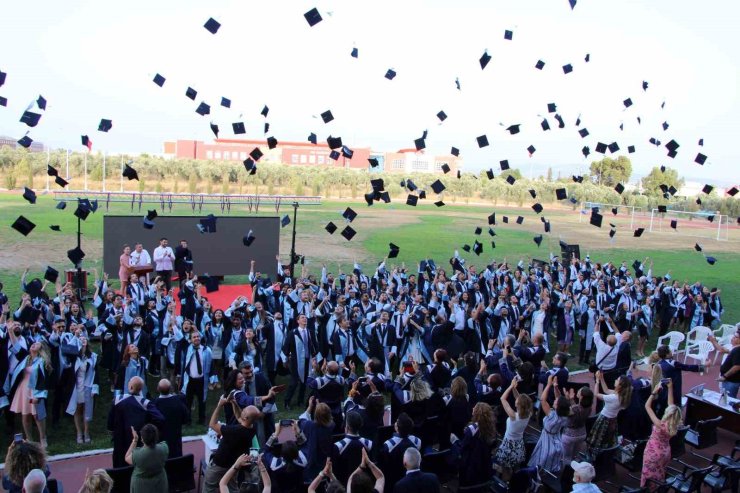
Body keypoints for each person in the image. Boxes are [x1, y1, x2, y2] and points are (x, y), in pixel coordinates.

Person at [202, 400, 261, 493]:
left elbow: (212, 424)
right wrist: (235, 403)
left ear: (245, 417)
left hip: (219, 464)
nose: (242, 411)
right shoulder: (252, 427)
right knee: (232, 488)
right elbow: (239, 417)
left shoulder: (234, 431)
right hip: (234, 465)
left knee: (209, 488)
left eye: (244, 411)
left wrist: (219, 405)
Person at [107, 376, 165, 468]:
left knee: (119, 466)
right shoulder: (145, 403)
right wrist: (149, 427)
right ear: (141, 389)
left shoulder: (117, 400)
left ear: (130, 387)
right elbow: (160, 419)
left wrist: (111, 431)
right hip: (138, 441)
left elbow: (110, 422)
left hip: (120, 440)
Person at [5, 341, 51, 447]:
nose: (34, 344)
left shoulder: (43, 361)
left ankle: (43, 438)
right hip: (23, 390)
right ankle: (29, 439)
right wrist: (11, 330)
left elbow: (44, 380)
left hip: (35, 390)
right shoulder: (25, 358)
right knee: (25, 415)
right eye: (33, 343)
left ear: (41, 348)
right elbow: (16, 347)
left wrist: (39, 395)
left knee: (37, 415)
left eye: (37, 344)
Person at [641, 381, 682, 489]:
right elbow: (671, 405)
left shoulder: (660, 424)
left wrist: (654, 392)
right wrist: (670, 388)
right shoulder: (675, 424)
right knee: (660, 473)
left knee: (648, 475)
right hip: (665, 451)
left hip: (653, 451)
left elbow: (647, 406)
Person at [528, 375, 569, 472]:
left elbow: (542, 400)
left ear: (558, 406)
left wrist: (548, 384)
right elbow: (560, 399)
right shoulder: (565, 414)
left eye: (556, 402)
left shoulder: (552, 416)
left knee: (540, 463)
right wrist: (555, 386)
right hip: (557, 440)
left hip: (547, 441)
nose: (554, 400)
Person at [451, 402, 497, 486]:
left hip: (470, 462)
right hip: (484, 461)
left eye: (474, 408)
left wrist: (455, 441)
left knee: (453, 440)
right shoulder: (491, 428)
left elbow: (463, 448)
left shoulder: (471, 429)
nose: (472, 408)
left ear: (477, 413)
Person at [495, 378, 532, 477]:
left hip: (508, 444)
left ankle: (505, 480)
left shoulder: (513, 416)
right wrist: (514, 388)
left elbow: (502, 398)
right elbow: (519, 398)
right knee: (516, 465)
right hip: (518, 443)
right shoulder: (529, 413)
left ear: (518, 404)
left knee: (506, 467)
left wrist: (511, 386)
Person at [587, 372, 632, 452]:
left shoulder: (614, 397)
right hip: (613, 420)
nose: (615, 380)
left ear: (620, 385)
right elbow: (606, 390)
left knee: (598, 438)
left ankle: (594, 453)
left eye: (617, 380)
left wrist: (597, 381)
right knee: (607, 438)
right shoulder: (621, 395)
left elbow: (596, 394)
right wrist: (602, 378)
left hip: (604, 419)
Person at [65, 336, 98, 444]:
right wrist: (75, 337)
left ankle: (86, 432)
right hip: (76, 386)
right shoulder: (74, 356)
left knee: (87, 410)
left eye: (84, 338)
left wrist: (95, 388)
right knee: (77, 408)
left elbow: (96, 373)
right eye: (80, 339)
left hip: (88, 385)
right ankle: (79, 433)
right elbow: (66, 348)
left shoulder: (93, 356)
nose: (83, 340)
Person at [283, 314, 317, 410]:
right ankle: (287, 402)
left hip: (307, 360)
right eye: (302, 318)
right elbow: (286, 347)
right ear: (298, 321)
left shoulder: (310, 332)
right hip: (295, 362)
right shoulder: (293, 332)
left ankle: (300, 401)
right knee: (294, 382)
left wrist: (314, 357)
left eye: (305, 317)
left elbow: (315, 345)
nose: (305, 319)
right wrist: (286, 359)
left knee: (304, 382)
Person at [378, 412, 421, 489]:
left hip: (394, 479)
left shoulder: (389, 445)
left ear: (397, 427)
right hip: (410, 476)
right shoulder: (417, 441)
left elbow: (384, 465)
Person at [178, 331, 212, 425]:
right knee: (188, 401)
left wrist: (212, 379)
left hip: (201, 379)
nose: (196, 338)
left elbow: (210, 365)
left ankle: (201, 419)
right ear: (190, 339)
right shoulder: (187, 349)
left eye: (198, 336)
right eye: (194, 337)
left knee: (202, 401)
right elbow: (180, 339)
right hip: (190, 379)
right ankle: (187, 420)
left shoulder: (206, 350)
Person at [331, 410, 373, 486]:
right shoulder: (369, 444)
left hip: (344, 486)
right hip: (364, 485)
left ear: (347, 427)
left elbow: (335, 471)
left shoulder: (338, 446)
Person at [299, 398, 335, 482]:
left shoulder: (310, 426)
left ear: (315, 415)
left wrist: (310, 406)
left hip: (313, 464)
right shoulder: (331, 425)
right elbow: (324, 417)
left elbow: (301, 419)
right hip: (325, 462)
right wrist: (319, 406)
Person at [152, 378, 190, 458]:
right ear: (170, 389)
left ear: (158, 389)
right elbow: (186, 418)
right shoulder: (178, 401)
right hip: (175, 441)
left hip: (160, 444)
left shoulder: (154, 405)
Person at [125, 424, 168, 493]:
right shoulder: (164, 447)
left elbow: (127, 457)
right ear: (156, 436)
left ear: (142, 438)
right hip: (160, 486)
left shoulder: (137, 454)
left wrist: (135, 440)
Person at [561, 386, 594, 463]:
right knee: (575, 456)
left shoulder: (574, 409)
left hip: (569, 436)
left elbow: (565, 412)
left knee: (566, 457)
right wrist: (571, 400)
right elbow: (577, 410)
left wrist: (567, 399)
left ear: (581, 396)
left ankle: (566, 472)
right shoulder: (589, 407)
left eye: (579, 391)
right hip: (582, 434)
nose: (578, 391)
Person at [709, 330, 740, 398]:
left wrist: (725, 376)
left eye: (735, 337)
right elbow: (722, 349)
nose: (732, 338)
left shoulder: (738, 351)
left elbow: (737, 367)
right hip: (727, 379)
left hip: (731, 380)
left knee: (728, 400)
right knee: (724, 397)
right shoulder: (734, 348)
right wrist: (713, 341)